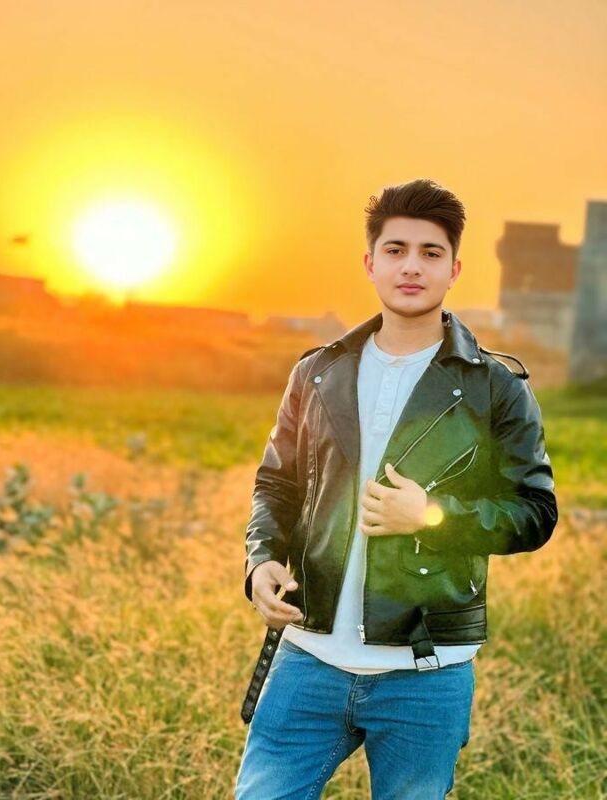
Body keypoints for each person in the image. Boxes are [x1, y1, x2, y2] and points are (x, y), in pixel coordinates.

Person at [235, 178, 558, 799]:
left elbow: (535, 513)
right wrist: (260, 561)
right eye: (396, 250)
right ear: (371, 263)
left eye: (430, 253)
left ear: (454, 270)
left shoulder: (496, 387)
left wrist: (432, 515)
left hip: (425, 671)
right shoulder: (317, 372)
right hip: (306, 657)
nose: (412, 266)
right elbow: (276, 483)